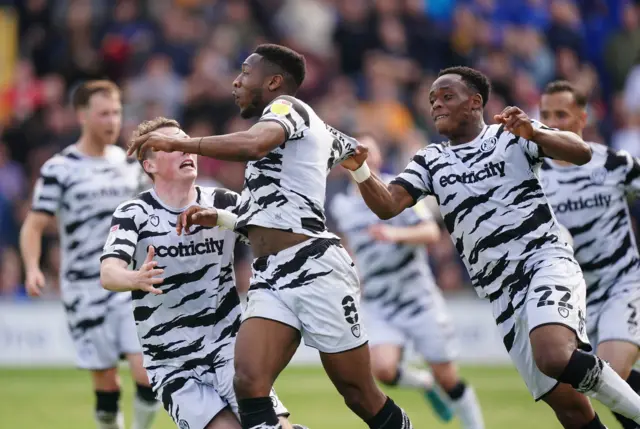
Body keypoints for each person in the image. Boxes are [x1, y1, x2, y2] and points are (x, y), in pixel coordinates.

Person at [127, 44, 414, 429]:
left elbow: (253, 145)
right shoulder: (312, 128)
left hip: (314, 267)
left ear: (274, 82)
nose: (236, 81)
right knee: (248, 381)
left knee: (360, 394)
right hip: (271, 275)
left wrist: (180, 142)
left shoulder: (287, 109)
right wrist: (222, 218)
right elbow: (343, 162)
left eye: (245, 73)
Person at [341, 65, 640, 429]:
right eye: (432, 99)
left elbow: (580, 153)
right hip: (500, 294)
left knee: (553, 354)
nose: (436, 105)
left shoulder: (512, 135)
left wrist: (537, 133)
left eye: (446, 96)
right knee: (570, 407)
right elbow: (388, 204)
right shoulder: (429, 160)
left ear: (474, 102)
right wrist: (360, 171)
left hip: (544, 263)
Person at [100, 117, 303, 429]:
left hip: (230, 349)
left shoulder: (223, 202)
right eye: (172, 146)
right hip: (171, 362)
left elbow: (273, 239)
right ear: (149, 165)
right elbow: (109, 272)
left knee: (273, 427)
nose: (185, 150)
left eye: (186, 142)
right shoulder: (135, 213)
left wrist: (223, 219)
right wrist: (135, 278)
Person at [19, 80, 159, 429]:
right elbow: (34, 226)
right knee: (107, 384)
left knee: (146, 374)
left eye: (116, 112)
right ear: (82, 116)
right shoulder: (60, 169)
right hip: (84, 288)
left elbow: (152, 214)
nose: (112, 121)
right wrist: (33, 267)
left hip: (128, 282)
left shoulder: (131, 165)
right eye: (103, 114)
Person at [329, 134, 485, 429]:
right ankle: (425, 382)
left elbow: (431, 233)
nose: (365, 159)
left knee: (448, 378)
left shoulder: (398, 191)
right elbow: (351, 247)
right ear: (345, 164)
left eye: (370, 153)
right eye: (357, 155)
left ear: (377, 158)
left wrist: (394, 235)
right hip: (378, 300)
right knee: (383, 370)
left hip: (417, 297)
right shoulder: (342, 205)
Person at [538, 80, 640, 429]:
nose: (551, 122)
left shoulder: (614, 164)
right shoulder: (531, 178)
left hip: (623, 284)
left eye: (561, 114)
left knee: (609, 373)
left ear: (583, 118)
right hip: (576, 297)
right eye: (546, 115)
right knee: (600, 386)